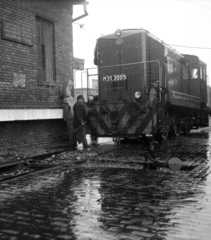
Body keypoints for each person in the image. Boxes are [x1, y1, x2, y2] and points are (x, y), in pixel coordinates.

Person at [63, 83, 77, 149]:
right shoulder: (73, 99)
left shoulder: (66, 100)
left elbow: (66, 110)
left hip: (69, 116)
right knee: (74, 129)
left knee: (70, 130)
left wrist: (65, 117)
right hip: (74, 116)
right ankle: (74, 141)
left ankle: (71, 142)